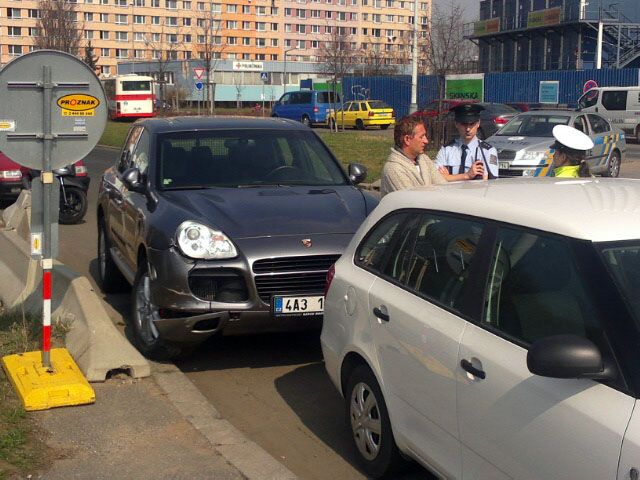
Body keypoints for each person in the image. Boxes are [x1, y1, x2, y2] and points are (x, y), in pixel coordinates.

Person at [380, 115, 447, 196]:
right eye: (421, 137)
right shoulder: (393, 169)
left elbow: (443, 188)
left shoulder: (424, 159)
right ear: (407, 139)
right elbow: (412, 202)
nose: (426, 141)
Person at [435, 103, 499, 180]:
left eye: (472, 124)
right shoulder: (446, 150)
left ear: (478, 124)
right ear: (456, 124)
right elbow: (436, 179)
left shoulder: (487, 151)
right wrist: (467, 175)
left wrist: (448, 177)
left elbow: (489, 182)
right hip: (451, 192)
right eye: (464, 124)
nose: (468, 129)